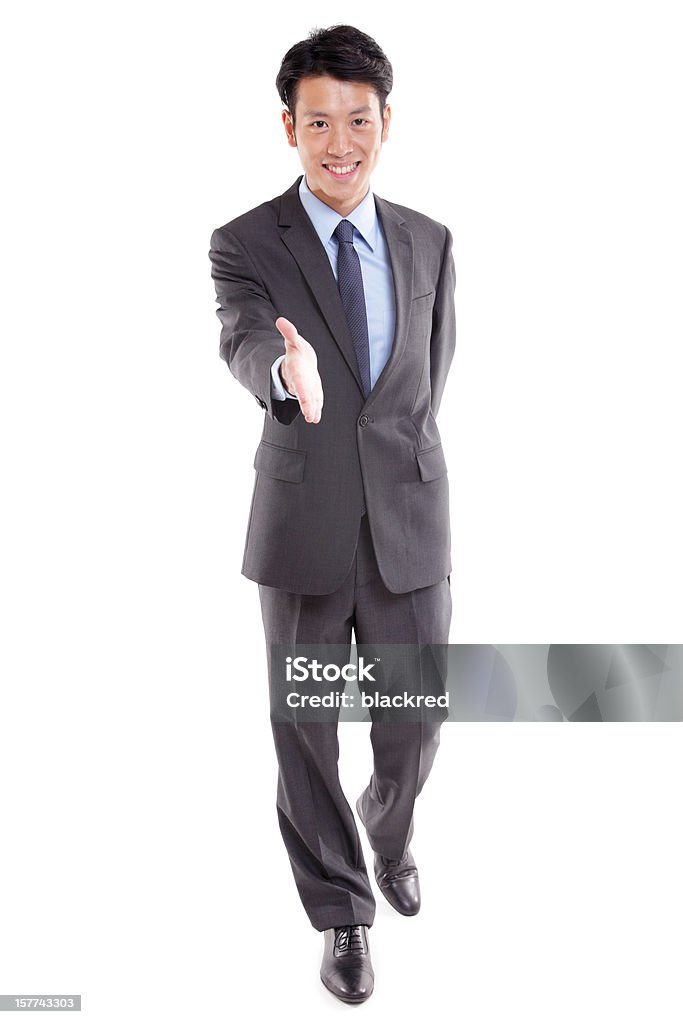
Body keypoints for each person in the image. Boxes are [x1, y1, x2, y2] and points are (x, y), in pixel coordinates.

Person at [208, 24, 456, 1004]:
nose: (338, 141)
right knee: (303, 725)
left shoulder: (429, 239)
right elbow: (239, 336)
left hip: (408, 520)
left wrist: (400, 458)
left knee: (414, 720)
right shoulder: (244, 242)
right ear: (288, 128)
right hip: (302, 524)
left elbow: (429, 376)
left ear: (384, 122)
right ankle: (341, 913)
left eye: (357, 120)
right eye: (318, 122)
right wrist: (282, 373)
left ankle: (386, 829)